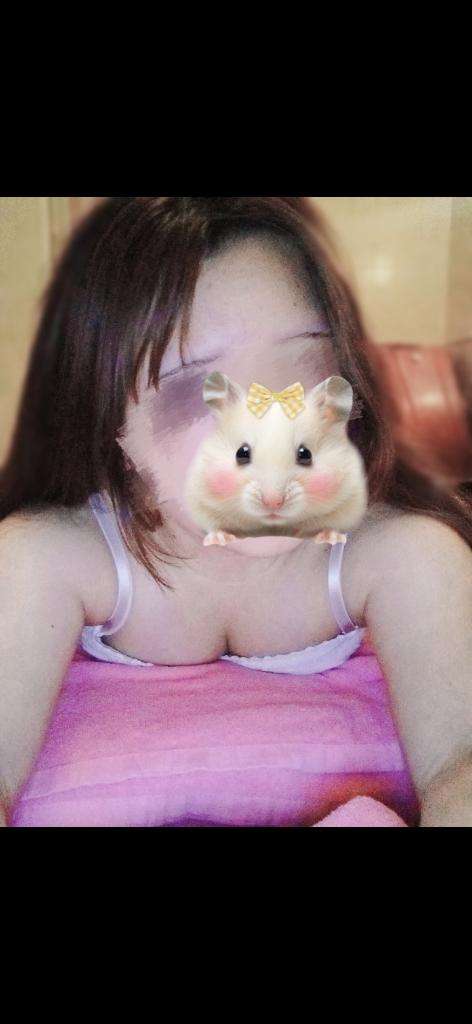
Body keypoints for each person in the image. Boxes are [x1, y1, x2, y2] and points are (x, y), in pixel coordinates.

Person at [1, 196, 471, 828]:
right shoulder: (46, 558)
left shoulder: (405, 555)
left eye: (298, 369)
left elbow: (459, 762)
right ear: (115, 427)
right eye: (199, 392)